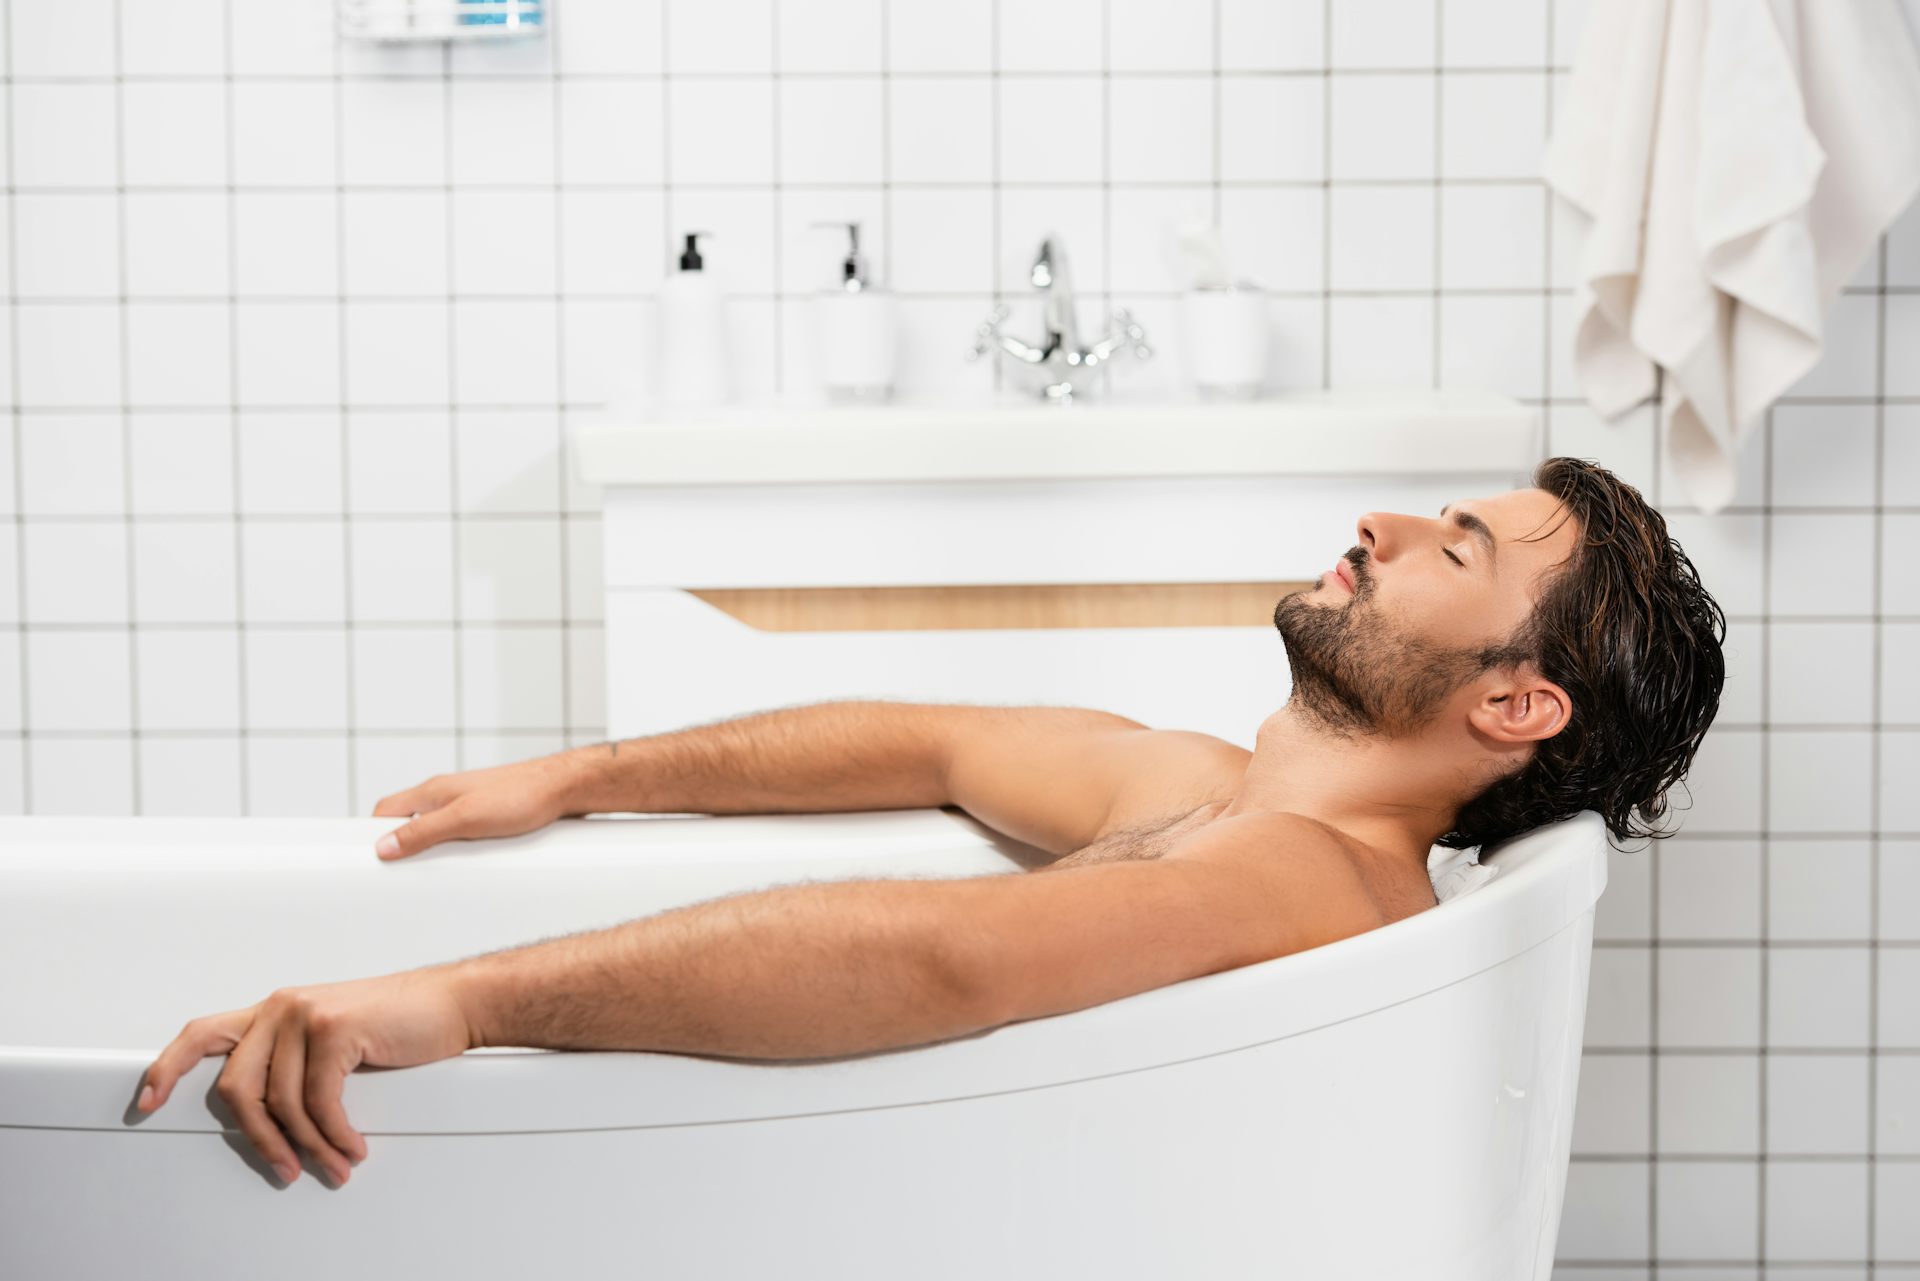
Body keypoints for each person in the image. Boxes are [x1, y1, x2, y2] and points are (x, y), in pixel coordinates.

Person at [134, 456, 1726, 1189]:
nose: (1378, 521)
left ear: (1517, 702)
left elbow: (946, 957)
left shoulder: (1304, 885)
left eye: (1454, 544)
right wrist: (576, 779)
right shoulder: (1204, 792)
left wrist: (460, 1002)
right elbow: (935, 745)